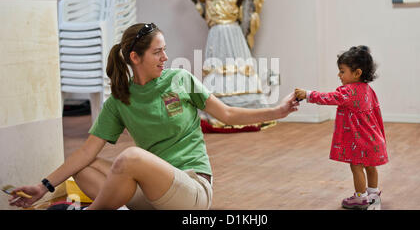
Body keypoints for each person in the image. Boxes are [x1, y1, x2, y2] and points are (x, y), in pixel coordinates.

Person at [8, 23, 299, 210]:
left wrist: (278, 110)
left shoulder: (180, 80)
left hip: (191, 189)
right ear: (135, 57)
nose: (165, 58)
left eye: (165, 51)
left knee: (131, 157)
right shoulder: (120, 99)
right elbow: (85, 152)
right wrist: (43, 186)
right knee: (84, 166)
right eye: (157, 52)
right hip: (151, 194)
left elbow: (227, 113)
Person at [182, 0, 273, 132]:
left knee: (238, 66)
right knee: (217, 69)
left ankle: (247, 110)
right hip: (216, 34)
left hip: (233, 33)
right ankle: (219, 110)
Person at [295, 46, 388, 210]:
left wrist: (308, 94)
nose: (339, 75)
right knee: (370, 166)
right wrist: (381, 137)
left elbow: (329, 98)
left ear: (357, 73)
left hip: (359, 141)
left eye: (342, 71)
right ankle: (373, 195)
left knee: (356, 166)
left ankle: (360, 198)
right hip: (373, 138)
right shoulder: (369, 90)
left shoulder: (348, 91)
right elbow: (376, 113)